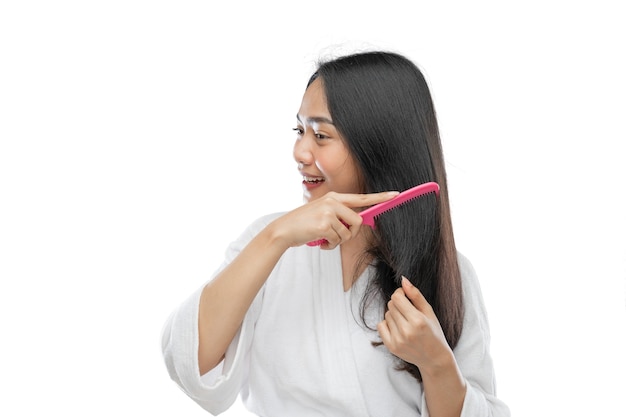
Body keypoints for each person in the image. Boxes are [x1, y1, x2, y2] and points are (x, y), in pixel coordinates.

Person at [161, 50, 510, 417]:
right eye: (300, 131)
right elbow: (190, 364)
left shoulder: (448, 271)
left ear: (377, 145)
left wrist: (437, 363)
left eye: (321, 135)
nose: (300, 150)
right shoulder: (268, 245)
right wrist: (276, 235)